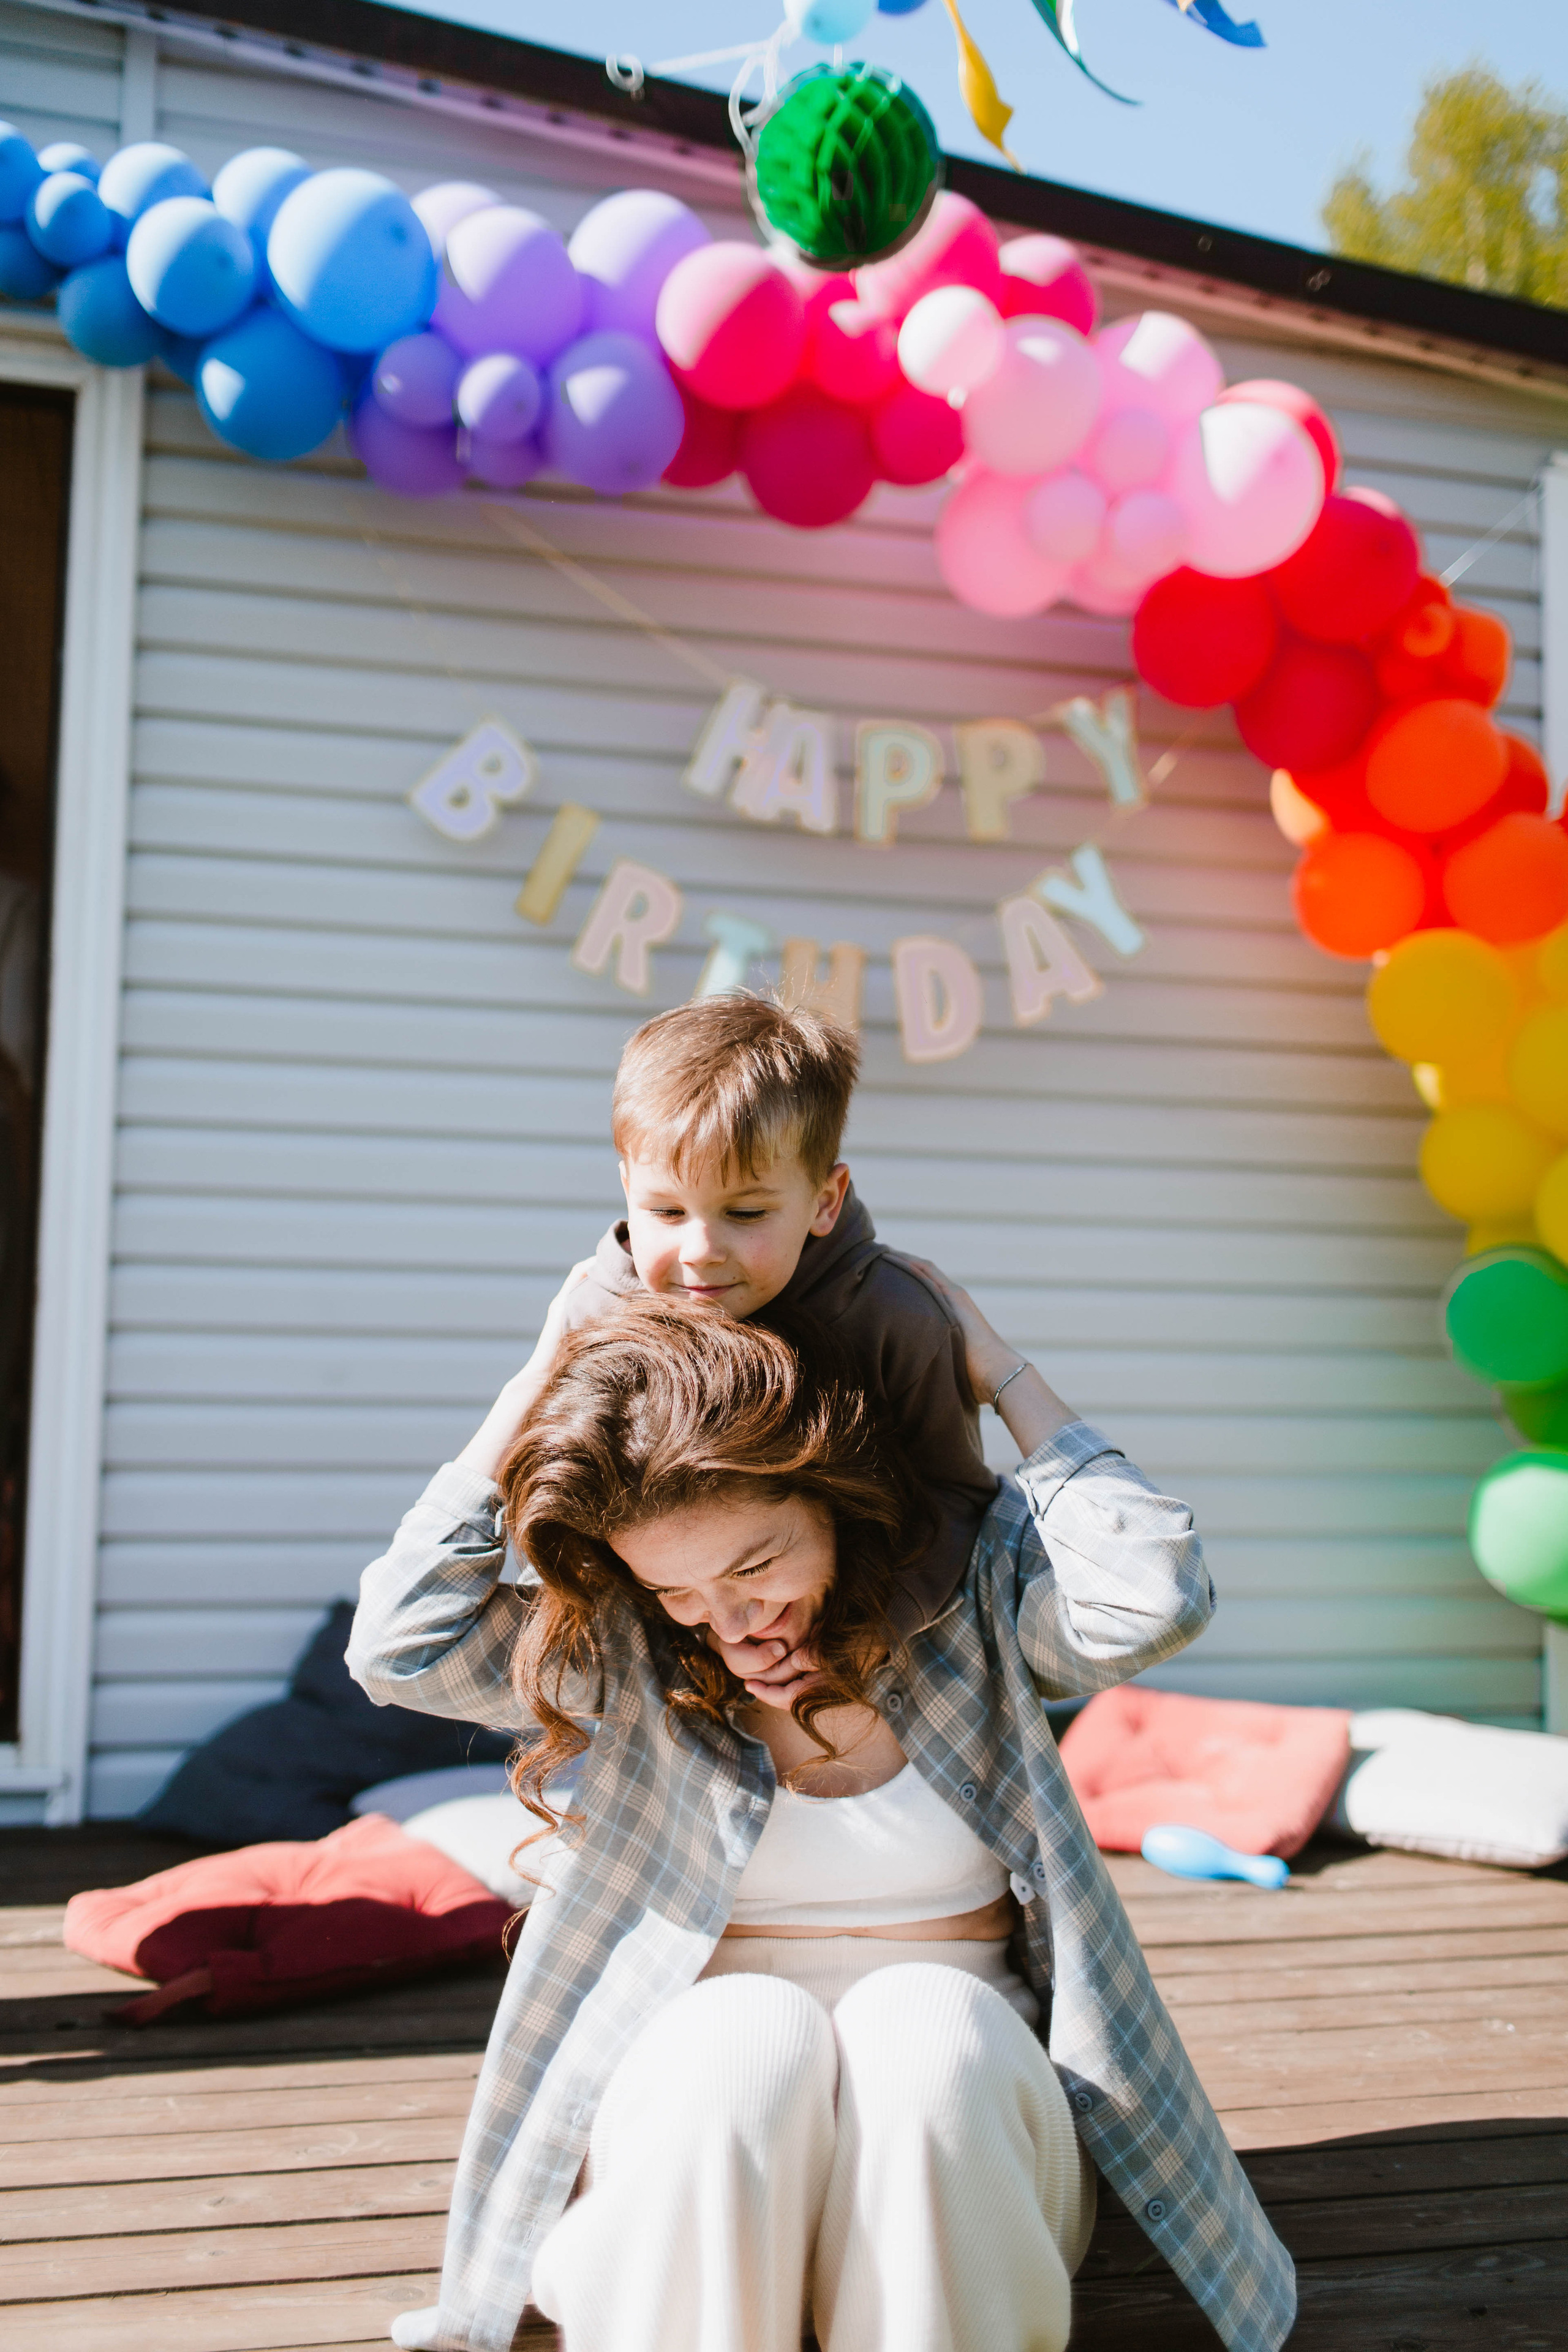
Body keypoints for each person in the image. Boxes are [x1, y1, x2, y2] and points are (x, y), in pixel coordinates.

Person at [349, 1282, 1295, 2352]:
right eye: (683, 1592)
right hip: (697, 2176)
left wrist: (1007, 1377)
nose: (732, 1620)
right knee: (742, 2038)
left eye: (756, 1565)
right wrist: (532, 1395)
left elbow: (1154, 1602)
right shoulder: (628, 1653)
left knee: (925, 2031)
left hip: (958, 2169)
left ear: (838, 1502)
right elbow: (400, 1649)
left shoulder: (972, 1612)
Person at [552, 992, 999, 1635]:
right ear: (626, 1185)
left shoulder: (895, 1317)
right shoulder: (599, 1316)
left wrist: (848, 1641)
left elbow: (952, 1499)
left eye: (746, 1213)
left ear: (824, 1200)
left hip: (866, 1649)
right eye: (667, 1212)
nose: (700, 1252)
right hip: (672, 1664)